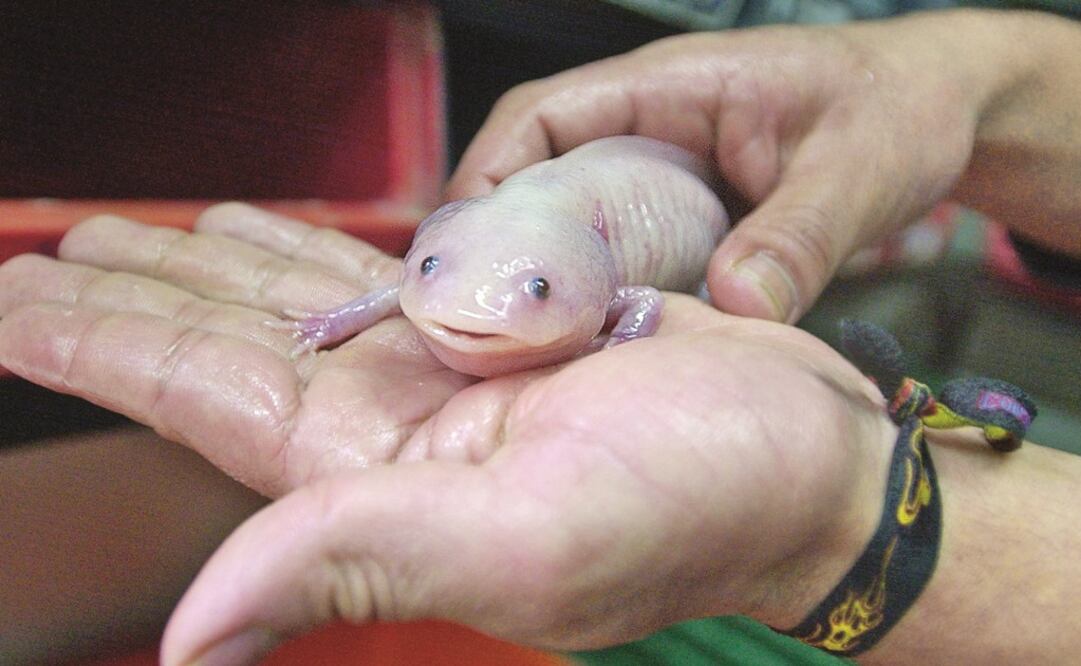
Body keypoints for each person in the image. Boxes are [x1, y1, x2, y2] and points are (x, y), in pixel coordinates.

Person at [0, 7, 1078, 665]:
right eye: (424, 272)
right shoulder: (446, 263)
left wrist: (833, 507)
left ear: (600, 288)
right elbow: (406, 288)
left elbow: (645, 307)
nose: (463, 309)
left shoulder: (623, 291)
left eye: (532, 296)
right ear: (424, 247)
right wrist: (988, 82)